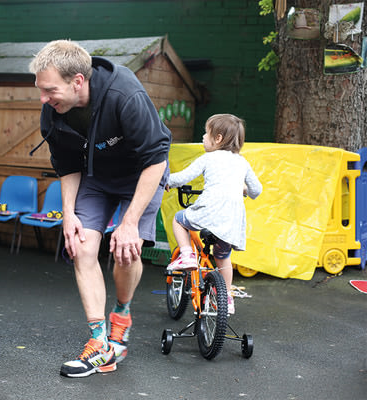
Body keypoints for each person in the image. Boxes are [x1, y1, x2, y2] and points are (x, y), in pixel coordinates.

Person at [29, 40, 171, 378]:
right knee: (81, 248)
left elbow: (156, 158)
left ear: (77, 81)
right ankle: (100, 343)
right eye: (41, 90)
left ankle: (121, 316)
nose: (43, 99)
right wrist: (69, 214)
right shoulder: (53, 110)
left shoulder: (124, 95)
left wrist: (129, 222)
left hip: (143, 174)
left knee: (126, 251)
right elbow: (66, 165)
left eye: (50, 90)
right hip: (97, 177)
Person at [166, 113, 262, 315]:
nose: (203, 137)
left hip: (209, 212)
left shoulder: (208, 158)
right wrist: (244, 190)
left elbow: (183, 178)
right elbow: (256, 190)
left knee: (178, 220)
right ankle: (227, 297)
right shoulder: (242, 163)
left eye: (205, 133)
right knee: (223, 256)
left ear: (217, 138)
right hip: (232, 221)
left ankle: (187, 255)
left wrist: (165, 181)